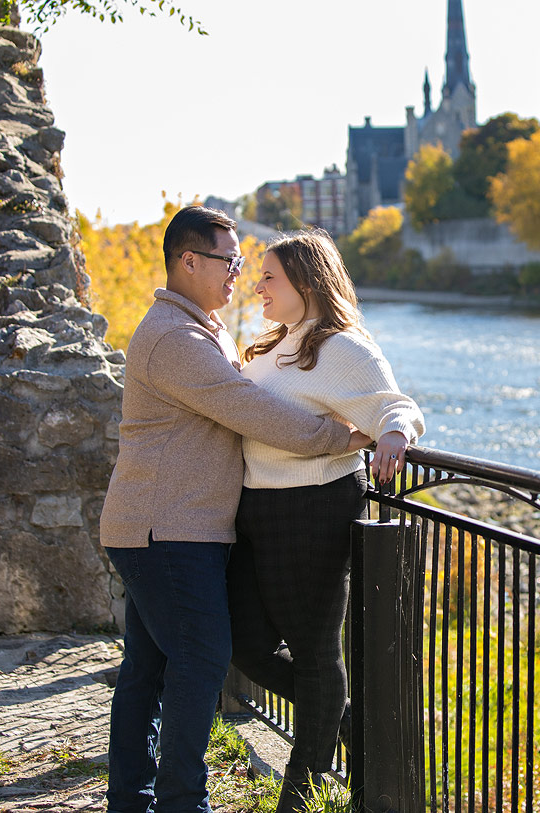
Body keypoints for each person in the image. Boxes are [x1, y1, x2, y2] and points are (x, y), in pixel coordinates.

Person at [99, 206, 369, 813]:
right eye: (229, 261)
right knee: (200, 660)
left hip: (170, 525)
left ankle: (133, 797)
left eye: (243, 263)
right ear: (189, 261)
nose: (238, 274)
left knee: (148, 667)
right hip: (166, 530)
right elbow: (249, 408)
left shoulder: (202, 329)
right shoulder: (176, 338)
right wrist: (340, 438)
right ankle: (180, 801)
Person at [227, 229, 424, 812]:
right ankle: (348, 723)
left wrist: (394, 434)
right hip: (255, 509)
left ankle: (302, 790)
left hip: (313, 508)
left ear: (306, 282)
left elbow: (396, 406)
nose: (258, 287)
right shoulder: (273, 345)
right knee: (245, 644)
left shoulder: (343, 349)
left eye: (269, 277)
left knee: (315, 653)